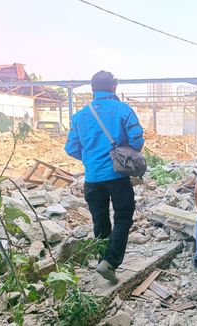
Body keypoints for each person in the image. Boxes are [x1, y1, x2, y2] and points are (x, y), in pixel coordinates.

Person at [65, 71, 144, 284]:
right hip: (117, 177)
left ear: (92, 89)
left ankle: (103, 260)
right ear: (114, 87)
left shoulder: (79, 116)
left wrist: (90, 158)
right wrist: (122, 152)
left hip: (92, 179)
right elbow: (137, 141)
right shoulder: (123, 110)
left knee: (100, 221)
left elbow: (71, 148)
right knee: (124, 216)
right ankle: (109, 262)